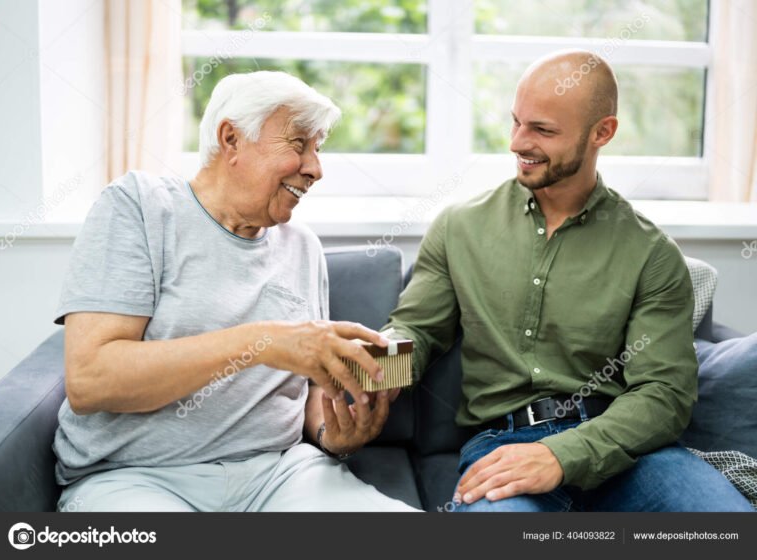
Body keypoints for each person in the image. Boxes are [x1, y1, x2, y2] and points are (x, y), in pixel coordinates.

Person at [383, 50, 752, 512]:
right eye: (516, 122)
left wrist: (562, 455)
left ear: (603, 132)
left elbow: (664, 394)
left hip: (627, 451)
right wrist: (373, 372)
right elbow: (416, 331)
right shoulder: (459, 227)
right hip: (504, 449)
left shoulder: (651, 254)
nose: (518, 142)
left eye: (542, 130)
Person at [53, 71, 417, 512]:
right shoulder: (139, 206)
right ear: (231, 140)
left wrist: (333, 435)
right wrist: (263, 342)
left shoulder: (303, 247)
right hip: (137, 477)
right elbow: (91, 381)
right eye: (298, 144)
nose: (315, 169)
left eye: (317, 149)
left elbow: (307, 393)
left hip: (278, 473)